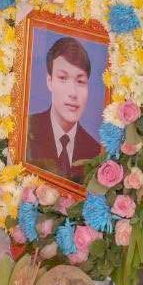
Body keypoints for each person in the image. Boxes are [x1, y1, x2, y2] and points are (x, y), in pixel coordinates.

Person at [25, 37, 100, 182]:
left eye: (80, 81)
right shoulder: (26, 130)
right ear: (49, 81)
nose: (73, 93)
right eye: (63, 78)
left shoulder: (95, 151)